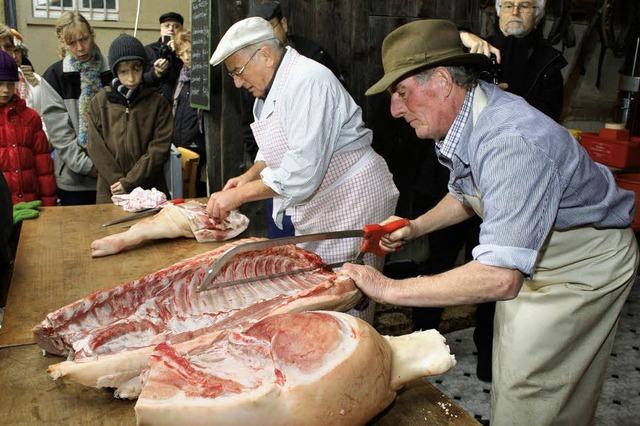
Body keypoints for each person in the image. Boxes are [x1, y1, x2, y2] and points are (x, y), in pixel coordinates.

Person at [342, 19, 638, 425]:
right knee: (514, 371)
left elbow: (500, 277)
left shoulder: (510, 141)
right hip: (535, 255)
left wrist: (388, 288)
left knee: (535, 392)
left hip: (581, 265)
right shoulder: (473, 113)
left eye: (401, 92)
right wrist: (416, 227)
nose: (394, 109)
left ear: (443, 81)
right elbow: (472, 193)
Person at [207, 17, 399, 322]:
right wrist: (246, 178)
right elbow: (277, 148)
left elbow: (301, 172)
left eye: (238, 71)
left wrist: (241, 196)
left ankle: (355, 363)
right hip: (323, 201)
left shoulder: (309, 81)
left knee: (347, 298)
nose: (238, 83)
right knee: (318, 292)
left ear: (266, 55)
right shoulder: (274, 88)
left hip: (354, 197)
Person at [241, 0, 346, 163]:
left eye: (269, 28)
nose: (265, 38)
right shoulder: (251, 70)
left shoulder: (315, 59)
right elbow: (250, 124)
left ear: (284, 24)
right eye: (256, 36)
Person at [87, 34, 172, 204]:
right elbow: (95, 146)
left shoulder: (158, 103)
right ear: (115, 71)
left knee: (152, 229)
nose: (131, 78)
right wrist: (118, 181)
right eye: (124, 71)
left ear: (144, 67)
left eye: (137, 69)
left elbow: (159, 148)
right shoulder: (100, 101)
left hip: (149, 189)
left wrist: (131, 181)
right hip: (111, 189)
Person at [40, 12, 111, 205]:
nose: (80, 48)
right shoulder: (53, 77)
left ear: (92, 34)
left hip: (114, 176)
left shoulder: (112, 69)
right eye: (72, 43)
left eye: (84, 39)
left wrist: (111, 168)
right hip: (75, 182)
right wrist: (89, 167)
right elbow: (60, 136)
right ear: (62, 43)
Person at [461, 0, 567, 121]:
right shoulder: (474, 47)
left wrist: (504, 103)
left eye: (524, 6)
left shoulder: (549, 62)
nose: (515, 12)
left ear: (537, 14)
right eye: (508, 5)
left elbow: (547, 123)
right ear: (499, 11)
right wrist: (461, 35)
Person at [0, 49, 56, 207]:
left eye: (10, 83)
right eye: (0, 83)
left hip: (31, 205)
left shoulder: (30, 118)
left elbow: (44, 167)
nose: (5, 89)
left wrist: (49, 205)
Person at [172, 30, 207, 196]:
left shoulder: (203, 78)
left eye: (190, 51)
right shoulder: (181, 79)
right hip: (180, 143)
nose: (186, 57)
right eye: (181, 53)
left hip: (198, 145)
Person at [143, 12, 184, 101]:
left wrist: (177, 53)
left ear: (181, 31)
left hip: (178, 102)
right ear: (160, 29)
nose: (171, 30)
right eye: (167, 26)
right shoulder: (148, 50)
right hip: (153, 102)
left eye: (176, 26)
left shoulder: (186, 52)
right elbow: (140, 79)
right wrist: (155, 74)